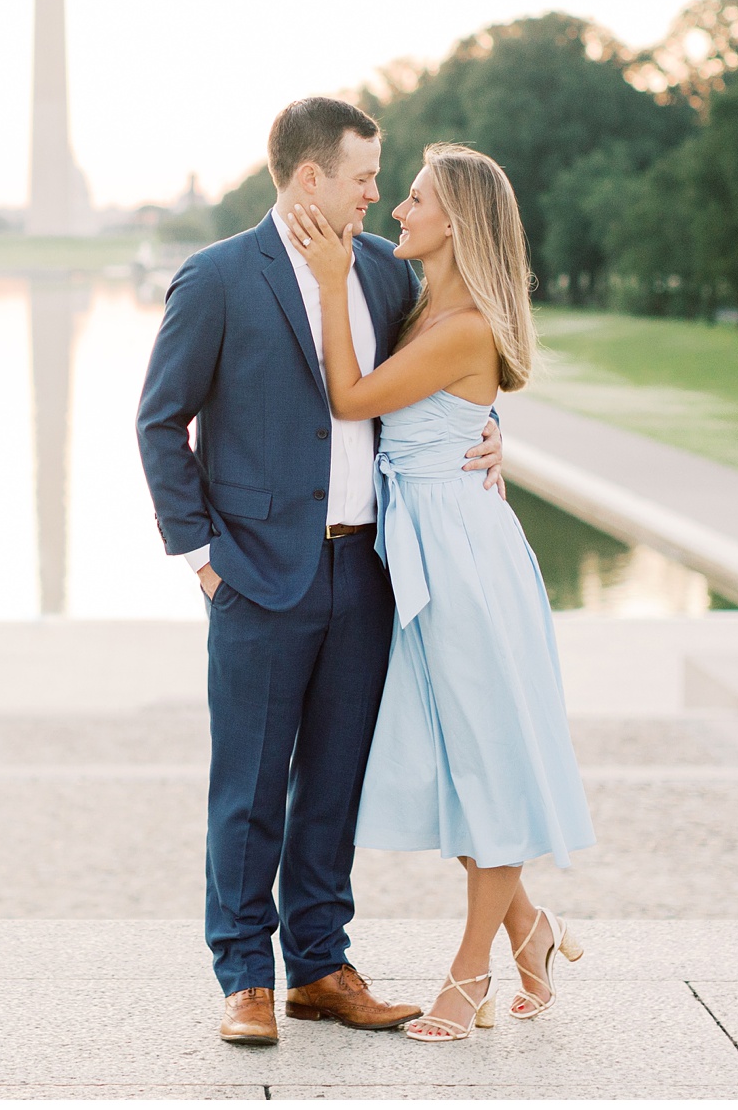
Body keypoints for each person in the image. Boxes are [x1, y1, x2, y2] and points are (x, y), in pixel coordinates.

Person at [136, 98, 507, 1046]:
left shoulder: (384, 271)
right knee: (250, 787)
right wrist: (203, 559)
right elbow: (160, 422)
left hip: (367, 570)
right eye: (364, 176)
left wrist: (490, 432)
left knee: (334, 782)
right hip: (256, 575)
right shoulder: (218, 277)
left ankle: (319, 966)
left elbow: (449, 368)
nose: (377, 194)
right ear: (311, 178)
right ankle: (244, 978)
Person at [283, 140, 593, 1044]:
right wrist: (487, 424)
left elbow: (352, 398)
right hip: (421, 548)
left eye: (414, 197)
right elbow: (448, 412)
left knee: (486, 762)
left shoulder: (462, 325)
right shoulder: (423, 302)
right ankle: (531, 929)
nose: (396, 209)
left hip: (461, 559)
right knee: (459, 760)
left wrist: (332, 282)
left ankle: (469, 976)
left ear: (455, 221)